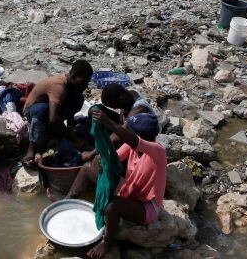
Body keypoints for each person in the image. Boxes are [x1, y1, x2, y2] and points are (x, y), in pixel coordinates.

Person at [83, 112, 166, 259]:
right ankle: (68, 199)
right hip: (129, 192)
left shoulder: (158, 151)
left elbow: (134, 141)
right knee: (87, 169)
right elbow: (114, 158)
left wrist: (109, 122)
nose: (127, 132)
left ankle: (107, 242)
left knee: (111, 207)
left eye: (130, 131)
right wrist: (102, 161)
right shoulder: (132, 147)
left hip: (146, 207)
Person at [22, 60, 94, 166]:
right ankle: (31, 147)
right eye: (84, 82)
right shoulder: (58, 86)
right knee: (44, 109)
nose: (86, 86)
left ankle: (62, 133)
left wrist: (71, 130)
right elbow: (53, 119)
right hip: (34, 111)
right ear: (73, 77)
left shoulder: (72, 86)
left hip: (53, 110)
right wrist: (74, 140)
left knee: (78, 98)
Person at [80, 83, 154, 162]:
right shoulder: (129, 94)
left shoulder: (139, 110)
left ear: (121, 98)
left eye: (115, 106)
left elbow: (120, 134)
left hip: (136, 142)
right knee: (95, 110)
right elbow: (121, 122)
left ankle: (99, 147)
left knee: (100, 160)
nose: (115, 108)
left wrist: (92, 153)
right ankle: (98, 142)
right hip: (123, 127)